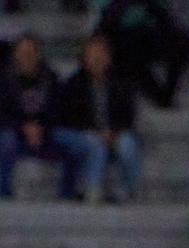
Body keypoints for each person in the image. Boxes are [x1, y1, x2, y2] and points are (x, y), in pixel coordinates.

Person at [53, 34, 143, 204]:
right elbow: (70, 117)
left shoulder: (121, 83)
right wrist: (97, 132)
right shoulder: (74, 84)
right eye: (92, 54)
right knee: (96, 144)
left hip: (116, 132)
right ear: (84, 58)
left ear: (109, 58)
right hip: (85, 132)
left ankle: (130, 191)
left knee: (128, 146)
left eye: (101, 54)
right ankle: (93, 190)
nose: (97, 59)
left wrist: (113, 132)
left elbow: (128, 115)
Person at [0, 33, 63, 199]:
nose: (27, 57)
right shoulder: (3, 79)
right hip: (13, 131)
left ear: (38, 54)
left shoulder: (51, 79)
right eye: (23, 53)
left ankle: (68, 192)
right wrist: (23, 127)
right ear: (15, 55)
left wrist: (41, 127)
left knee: (74, 144)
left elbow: (57, 111)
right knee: (5, 141)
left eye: (31, 53)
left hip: (46, 132)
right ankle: (4, 194)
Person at [97, 0, 181, 110]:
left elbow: (164, 20)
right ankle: (158, 98)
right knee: (131, 58)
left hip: (147, 40)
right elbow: (107, 22)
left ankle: (165, 96)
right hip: (121, 44)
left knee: (178, 48)